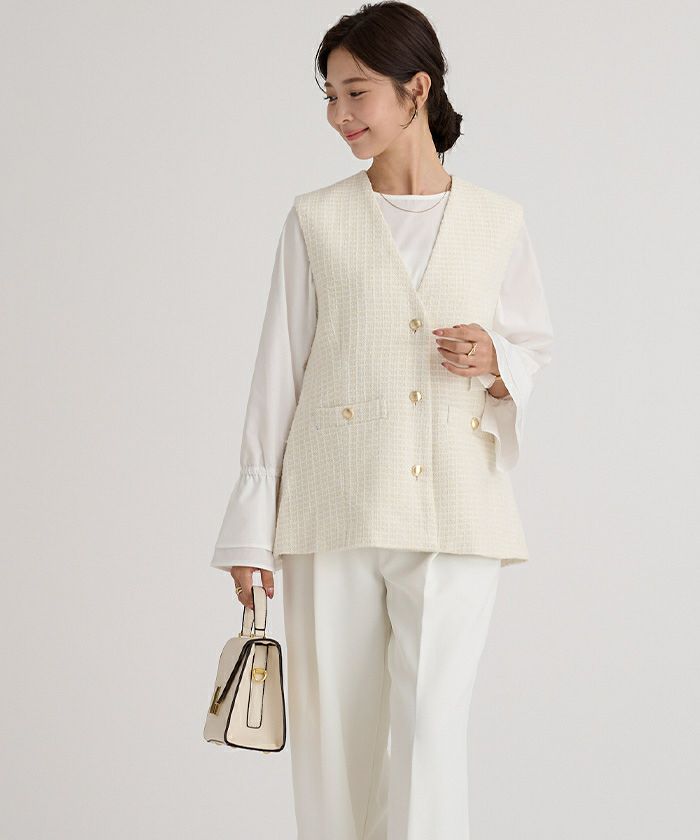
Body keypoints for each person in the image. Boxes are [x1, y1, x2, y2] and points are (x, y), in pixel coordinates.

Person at [210, 3, 554, 837]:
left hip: (457, 512)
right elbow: (277, 375)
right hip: (332, 508)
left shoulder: (499, 220)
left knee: (431, 736)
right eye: (329, 96)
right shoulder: (315, 219)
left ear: (417, 90)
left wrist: (496, 362)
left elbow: (530, 349)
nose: (339, 115)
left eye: (356, 92)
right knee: (335, 745)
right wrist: (250, 532)